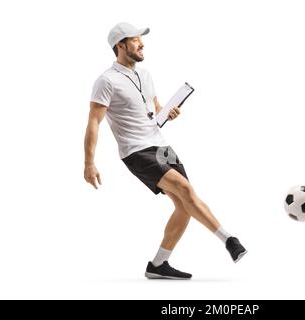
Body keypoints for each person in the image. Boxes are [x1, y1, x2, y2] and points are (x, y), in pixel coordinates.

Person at [84, 22, 247, 280]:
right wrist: (89, 163)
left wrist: (169, 113)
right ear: (120, 45)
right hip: (137, 151)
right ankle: (229, 240)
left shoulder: (145, 75)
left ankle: (158, 265)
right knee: (187, 191)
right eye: (136, 40)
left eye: (141, 40)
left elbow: (155, 110)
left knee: (184, 206)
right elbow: (94, 122)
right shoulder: (106, 81)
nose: (142, 44)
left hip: (161, 145)